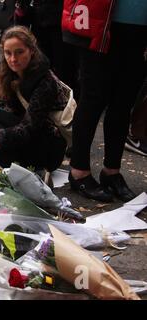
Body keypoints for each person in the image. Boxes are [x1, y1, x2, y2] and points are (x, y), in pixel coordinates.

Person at [63, 0, 147, 202]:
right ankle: (79, 171)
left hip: (139, 27)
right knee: (93, 98)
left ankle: (111, 171)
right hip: (99, 22)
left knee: (123, 102)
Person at [0, 26, 67, 172]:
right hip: (20, 138)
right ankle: (0, 163)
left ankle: (21, 169)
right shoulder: (9, 74)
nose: (13, 59)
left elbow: (28, 129)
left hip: (47, 148)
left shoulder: (45, 81)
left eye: (19, 52)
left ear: (31, 51)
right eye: (8, 53)